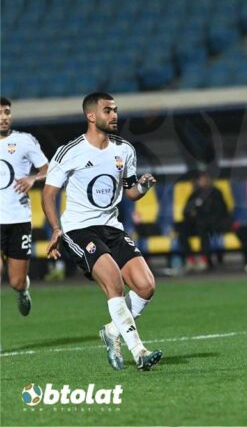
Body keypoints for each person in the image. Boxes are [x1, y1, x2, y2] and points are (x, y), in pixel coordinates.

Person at [43, 92, 163, 371]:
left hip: (112, 227)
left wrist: (143, 187)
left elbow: (130, 191)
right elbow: (49, 194)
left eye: (115, 110)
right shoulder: (70, 151)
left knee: (146, 286)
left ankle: (111, 332)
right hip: (79, 230)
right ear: (91, 116)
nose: (114, 115)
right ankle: (139, 351)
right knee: (115, 285)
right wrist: (56, 229)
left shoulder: (125, 150)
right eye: (108, 110)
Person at [0, 97, 49, 316]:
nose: (4, 118)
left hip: (18, 219)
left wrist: (32, 179)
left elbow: (49, 169)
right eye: (0, 113)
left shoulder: (25, 141)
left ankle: (23, 291)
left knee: (16, 282)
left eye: (7, 112)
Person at [176, 170, 230, 272]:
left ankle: (204, 259)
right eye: (201, 179)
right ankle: (190, 259)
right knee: (182, 229)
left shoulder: (216, 192)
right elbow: (186, 211)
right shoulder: (195, 194)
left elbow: (222, 210)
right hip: (195, 223)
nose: (203, 181)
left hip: (211, 224)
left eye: (206, 178)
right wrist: (192, 214)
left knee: (202, 227)